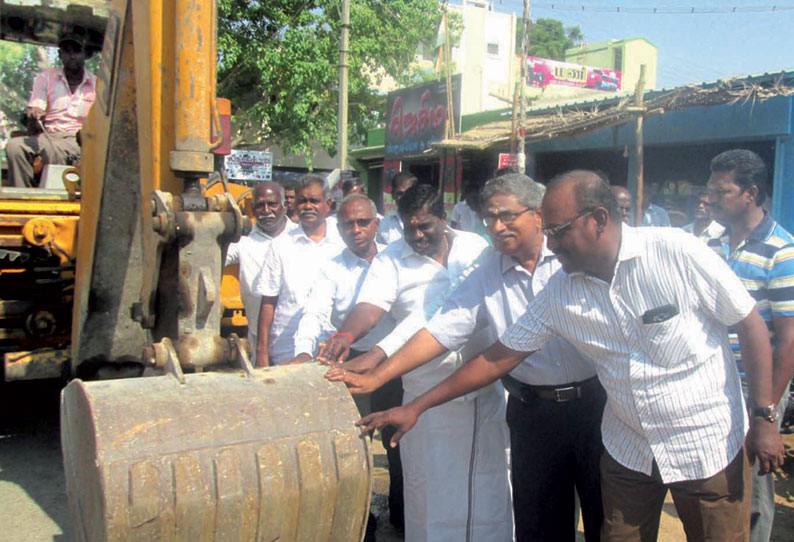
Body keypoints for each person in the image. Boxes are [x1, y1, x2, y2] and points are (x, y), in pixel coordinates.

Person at [359, 169, 785, 542]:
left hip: (704, 441)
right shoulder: (561, 291)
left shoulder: (676, 251)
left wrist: (764, 417)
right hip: (628, 448)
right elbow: (496, 357)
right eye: (490, 217)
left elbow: (749, 325)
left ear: (598, 220)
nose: (550, 240)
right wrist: (414, 404)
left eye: (557, 229)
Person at [328, 173, 605, 541]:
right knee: (539, 523)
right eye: (489, 218)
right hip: (529, 415)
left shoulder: (567, 258)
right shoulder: (489, 267)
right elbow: (442, 326)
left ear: (538, 214)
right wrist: (380, 372)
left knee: (608, 520)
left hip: (593, 408)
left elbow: (497, 355)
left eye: (506, 216)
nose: (496, 226)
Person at [319, 183, 512, 542]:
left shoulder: (476, 248)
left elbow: (454, 308)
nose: (417, 235)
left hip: (481, 385)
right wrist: (346, 337)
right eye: (410, 228)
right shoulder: (391, 259)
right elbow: (370, 307)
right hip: (425, 393)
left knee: (489, 481)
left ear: (443, 219)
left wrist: (378, 357)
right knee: (431, 488)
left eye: (425, 226)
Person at [288, 193, 404, 533]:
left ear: (376, 223)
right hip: (351, 363)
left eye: (362, 222)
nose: (356, 230)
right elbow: (315, 313)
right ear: (337, 228)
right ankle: (359, 520)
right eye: (347, 224)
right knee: (354, 446)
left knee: (399, 442)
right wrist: (303, 351)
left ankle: (402, 515)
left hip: (396, 364)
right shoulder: (332, 268)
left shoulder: (398, 259)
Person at [706, 149, 794, 542]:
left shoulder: (781, 251)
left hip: (755, 383)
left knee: (754, 486)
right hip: (712, 382)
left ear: (751, 194)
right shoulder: (710, 245)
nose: (711, 199)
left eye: (722, 191)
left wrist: (766, 415)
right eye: (710, 190)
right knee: (721, 481)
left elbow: (789, 338)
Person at [253, 174, 343, 366]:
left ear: (328, 203)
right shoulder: (281, 245)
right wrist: (262, 352)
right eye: (302, 201)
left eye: (314, 201)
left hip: (333, 348)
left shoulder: (342, 243)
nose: (307, 206)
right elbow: (268, 301)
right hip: (287, 349)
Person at [6, 31, 96, 187]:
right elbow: (36, 113)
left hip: (78, 139)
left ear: (85, 54)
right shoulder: (46, 78)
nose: (72, 56)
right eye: (67, 51)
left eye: (76, 51)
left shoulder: (97, 85)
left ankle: (59, 194)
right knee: (14, 147)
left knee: (53, 150)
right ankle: (23, 196)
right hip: (49, 135)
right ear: (60, 55)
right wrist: (34, 116)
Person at [224, 182, 295, 365]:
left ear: (284, 205)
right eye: (259, 205)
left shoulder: (299, 237)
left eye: (272, 204)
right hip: (257, 337)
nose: (266, 210)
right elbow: (215, 259)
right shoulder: (242, 239)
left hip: (295, 339)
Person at [377, 171, 417, 245]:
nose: (405, 197)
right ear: (393, 195)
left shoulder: (426, 222)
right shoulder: (384, 225)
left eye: (408, 193)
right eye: (400, 194)